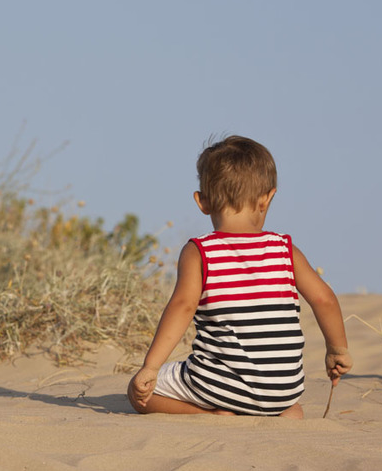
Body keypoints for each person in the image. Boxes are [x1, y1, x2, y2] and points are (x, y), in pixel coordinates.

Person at [128, 135, 352, 418]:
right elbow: (324, 299)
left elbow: (182, 306)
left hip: (219, 387)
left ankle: (212, 416)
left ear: (202, 202)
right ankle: (281, 412)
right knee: (292, 409)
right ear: (267, 198)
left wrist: (150, 367)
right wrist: (337, 350)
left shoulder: (199, 252)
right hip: (283, 391)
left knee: (139, 396)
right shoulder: (285, 249)